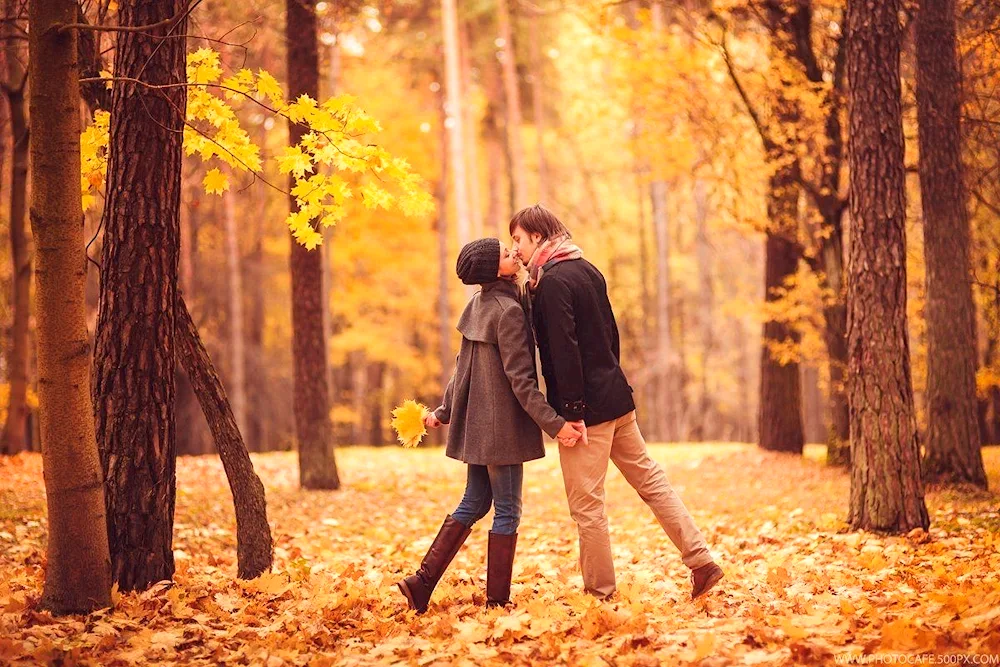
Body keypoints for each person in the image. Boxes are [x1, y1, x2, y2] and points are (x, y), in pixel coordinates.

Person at [509, 204, 724, 600]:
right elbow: (611, 336)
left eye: (518, 240)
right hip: (616, 399)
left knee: (587, 506)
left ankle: (600, 594)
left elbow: (564, 352)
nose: (516, 249)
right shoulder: (587, 269)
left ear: (537, 237)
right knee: (652, 482)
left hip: (585, 414)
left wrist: (570, 415)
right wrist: (611, 380)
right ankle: (702, 562)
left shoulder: (553, 283)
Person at [397, 237, 585, 613]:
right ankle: (497, 602)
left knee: (475, 500)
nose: (512, 253)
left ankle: (421, 582)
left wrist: (444, 411)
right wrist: (555, 424)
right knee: (507, 510)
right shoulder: (507, 312)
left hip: (479, 429)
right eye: (504, 252)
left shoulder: (479, 305)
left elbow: (460, 370)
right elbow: (522, 381)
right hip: (502, 434)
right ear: (492, 269)